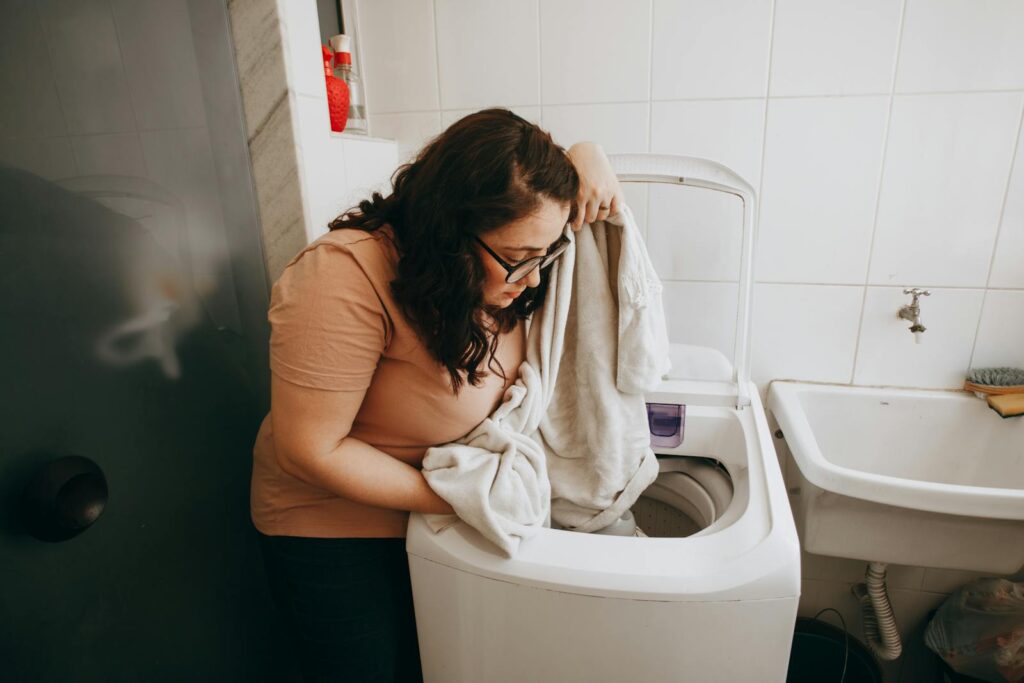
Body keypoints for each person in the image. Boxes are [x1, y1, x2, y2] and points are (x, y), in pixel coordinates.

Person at [250, 108, 625, 681]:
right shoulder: (344, 276)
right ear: (449, 230)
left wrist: (586, 152)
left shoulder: (502, 258)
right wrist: (463, 497)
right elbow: (309, 448)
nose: (534, 280)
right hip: (336, 533)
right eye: (518, 261)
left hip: (430, 519)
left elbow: (531, 186)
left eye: (544, 257)